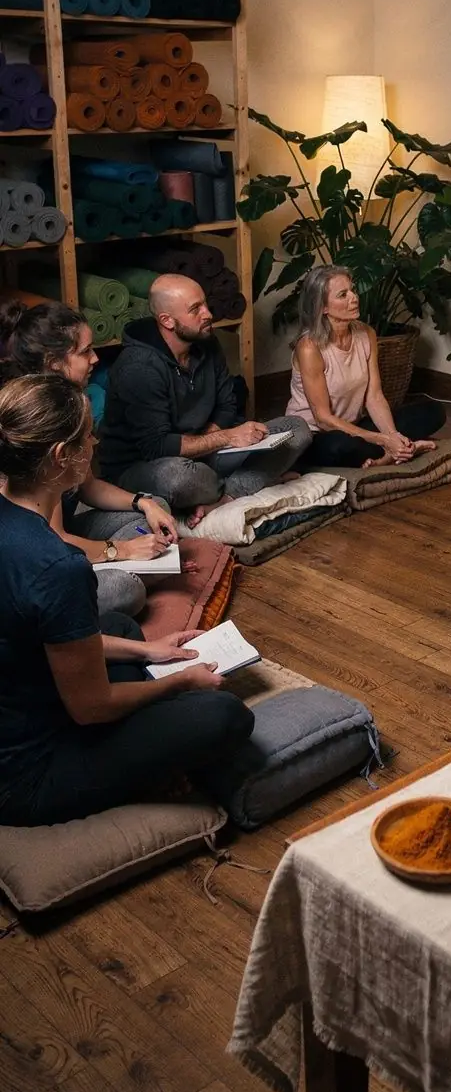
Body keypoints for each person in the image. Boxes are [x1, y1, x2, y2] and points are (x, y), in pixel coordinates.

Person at [0, 373, 254, 826]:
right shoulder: (57, 566)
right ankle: (147, 767)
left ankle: (147, 734)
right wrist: (179, 683)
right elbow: (90, 707)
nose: (95, 442)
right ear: (61, 457)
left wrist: (147, 650)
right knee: (225, 716)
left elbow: (35, 637)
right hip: (26, 777)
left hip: (24, 698)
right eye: (87, 435)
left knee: (120, 629)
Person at [0, 299, 178, 617]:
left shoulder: (71, 401)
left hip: (63, 537)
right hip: (36, 556)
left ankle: (134, 565)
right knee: (126, 589)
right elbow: (49, 540)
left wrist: (143, 502)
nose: (96, 358)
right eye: (85, 352)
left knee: (156, 511)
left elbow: (87, 485)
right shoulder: (40, 420)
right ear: (54, 362)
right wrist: (119, 550)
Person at [99, 274, 312, 525]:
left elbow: (227, 404)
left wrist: (214, 438)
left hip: (205, 451)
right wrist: (226, 437)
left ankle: (224, 496)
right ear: (167, 321)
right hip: (145, 465)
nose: (208, 314)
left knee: (297, 429)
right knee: (180, 479)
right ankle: (249, 481)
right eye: (195, 309)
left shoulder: (206, 340)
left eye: (205, 304)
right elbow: (156, 446)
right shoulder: (139, 366)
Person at [286, 264, 446, 467]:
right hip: (316, 434)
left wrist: (392, 434)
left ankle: (393, 451)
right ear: (322, 307)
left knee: (433, 411)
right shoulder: (309, 347)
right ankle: (398, 451)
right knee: (339, 447)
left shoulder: (366, 334)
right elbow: (323, 419)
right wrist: (381, 439)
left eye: (352, 290)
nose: (354, 297)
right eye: (343, 295)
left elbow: (375, 397)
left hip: (354, 426)